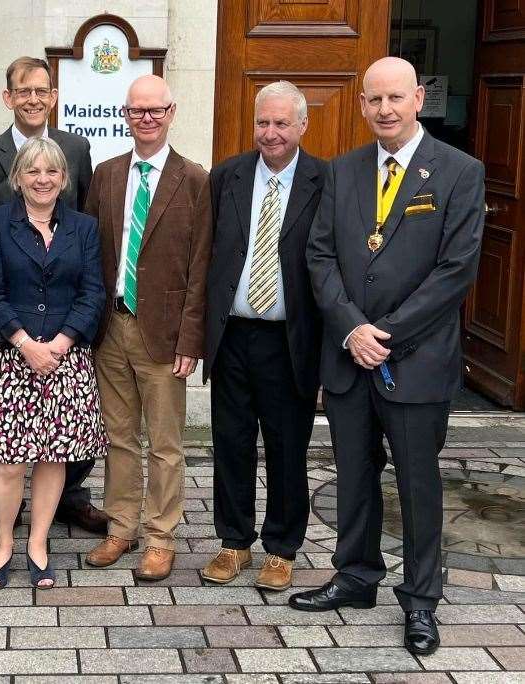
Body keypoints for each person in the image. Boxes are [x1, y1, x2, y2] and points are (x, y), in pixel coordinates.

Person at [293, 57, 484, 656]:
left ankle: (421, 600)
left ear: (418, 97)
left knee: (418, 484)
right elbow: (319, 257)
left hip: (416, 360)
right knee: (352, 476)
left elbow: (456, 272)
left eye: (396, 98)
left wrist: (386, 334)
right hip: (350, 358)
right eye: (374, 100)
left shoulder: (459, 172)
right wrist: (351, 328)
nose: (385, 110)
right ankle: (356, 576)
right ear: (362, 105)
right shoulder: (344, 172)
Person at [0, 56, 105, 546]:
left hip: (65, 336)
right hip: (12, 337)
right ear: (8, 97)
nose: (32, 99)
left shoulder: (77, 149)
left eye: (41, 90)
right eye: (22, 90)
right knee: (7, 452)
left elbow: (87, 254)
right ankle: (2, 523)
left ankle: (53, 519)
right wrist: (21, 339)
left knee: (58, 449)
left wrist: (66, 338)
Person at [84, 75, 213, 581]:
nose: (147, 118)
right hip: (111, 328)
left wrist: (191, 338)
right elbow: (93, 253)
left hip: (164, 335)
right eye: (138, 110)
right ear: (126, 114)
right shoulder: (107, 175)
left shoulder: (195, 179)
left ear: (171, 111)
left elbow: (201, 266)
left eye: (156, 110)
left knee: (164, 443)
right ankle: (122, 527)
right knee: (118, 437)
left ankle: (161, 536)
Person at [201, 81, 326, 591]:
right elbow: (209, 254)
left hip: (289, 339)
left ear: (301, 125)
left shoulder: (326, 180)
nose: (269, 133)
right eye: (262, 123)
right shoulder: (226, 176)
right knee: (230, 443)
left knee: (286, 446)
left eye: (280, 123)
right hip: (232, 335)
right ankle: (234, 542)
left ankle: (282, 548)